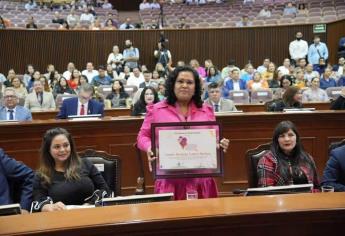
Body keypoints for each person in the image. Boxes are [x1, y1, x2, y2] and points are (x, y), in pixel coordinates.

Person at [137, 66, 230, 200]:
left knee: (204, 219)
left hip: (201, 180)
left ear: (195, 87)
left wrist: (219, 144)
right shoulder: (156, 110)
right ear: (172, 84)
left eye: (189, 82)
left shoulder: (206, 110)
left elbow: (213, 138)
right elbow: (142, 136)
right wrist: (150, 147)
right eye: (180, 81)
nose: (185, 85)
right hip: (170, 181)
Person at [32, 128, 110, 212]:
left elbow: (105, 189)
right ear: (48, 150)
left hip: (90, 213)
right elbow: (38, 200)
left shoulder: (86, 163)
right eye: (57, 147)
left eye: (66, 145)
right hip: (60, 218)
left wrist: (90, 204)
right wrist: (48, 207)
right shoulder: (41, 175)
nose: (62, 150)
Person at [257, 121, 319, 188]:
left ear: (296, 138)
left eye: (290, 135)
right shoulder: (267, 160)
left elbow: (316, 187)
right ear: (277, 140)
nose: (286, 139)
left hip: (307, 197)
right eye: (282, 136)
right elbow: (266, 192)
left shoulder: (307, 158)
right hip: (280, 198)